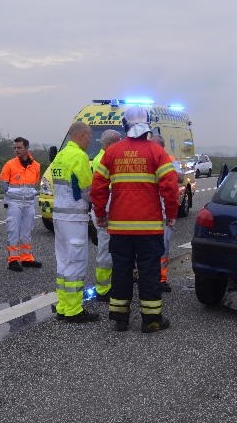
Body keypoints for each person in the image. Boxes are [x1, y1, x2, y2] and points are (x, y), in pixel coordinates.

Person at [92, 106, 179, 333]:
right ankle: (151, 320)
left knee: (121, 271)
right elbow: (170, 187)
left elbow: (98, 187)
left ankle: (120, 319)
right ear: (147, 123)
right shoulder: (157, 153)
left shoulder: (112, 152)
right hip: (149, 228)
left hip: (120, 227)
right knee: (149, 272)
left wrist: (100, 214)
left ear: (124, 124)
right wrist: (171, 215)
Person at [51, 122, 99, 323]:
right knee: (76, 263)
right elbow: (88, 190)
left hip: (59, 217)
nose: (90, 140)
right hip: (74, 218)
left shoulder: (60, 155)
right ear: (81, 135)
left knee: (63, 263)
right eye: (89, 136)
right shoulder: (78, 156)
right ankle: (74, 310)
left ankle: (63, 306)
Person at [0, 137, 41, 271]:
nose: (16, 150)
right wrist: (12, 196)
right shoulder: (10, 164)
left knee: (26, 232)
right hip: (15, 203)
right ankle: (13, 260)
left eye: (19, 147)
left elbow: (35, 183)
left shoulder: (36, 165)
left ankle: (27, 258)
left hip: (29, 203)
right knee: (13, 230)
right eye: (15, 148)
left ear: (26, 148)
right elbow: (3, 184)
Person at [90, 129, 122, 302]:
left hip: (107, 209)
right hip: (106, 210)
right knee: (105, 250)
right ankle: (102, 289)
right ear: (111, 143)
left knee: (111, 249)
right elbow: (102, 190)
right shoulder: (104, 159)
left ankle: (108, 284)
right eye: (119, 141)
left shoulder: (104, 157)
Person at [151, 134, 179, 293]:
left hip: (162, 211)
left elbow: (175, 183)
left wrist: (171, 214)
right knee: (148, 247)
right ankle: (148, 276)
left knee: (163, 247)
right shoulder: (147, 157)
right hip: (149, 212)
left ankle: (160, 279)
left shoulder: (169, 159)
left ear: (160, 146)